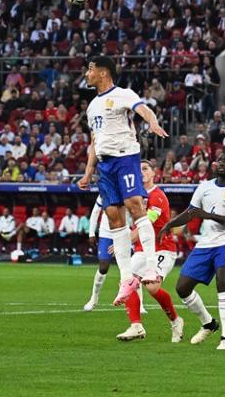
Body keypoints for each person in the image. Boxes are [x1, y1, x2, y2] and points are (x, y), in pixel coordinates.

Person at [77, 55, 168, 306]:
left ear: (103, 72)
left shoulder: (123, 94)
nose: (87, 74)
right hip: (104, 165)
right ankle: (127, 278)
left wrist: (153, 123)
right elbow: (94, 142)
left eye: (90, 69)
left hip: (125, 157)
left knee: (135, 206)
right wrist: (88, 172)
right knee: (114, 218)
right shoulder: (92, 106)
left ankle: (150, 267)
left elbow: (143, 109)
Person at [159, 151, 225, 350]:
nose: (222, 162)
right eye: (220, 159)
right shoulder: (204, 187)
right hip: (205, 244)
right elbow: (190, 213)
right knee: (182, 288)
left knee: (223, 280)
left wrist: (208, 215)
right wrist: (169, 225)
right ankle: (209, 323)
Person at [117, 160, 185, 343]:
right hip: (141, 249)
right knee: (127, 280)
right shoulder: (133, 196)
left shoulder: (158, 196)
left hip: (162, 249)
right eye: (138, 170)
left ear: (154, 173)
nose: (142, 172)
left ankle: (176, 320)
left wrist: (122, 242)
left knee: (152, 287)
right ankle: (136, 326)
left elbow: (147, 224)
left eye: (145, 169)